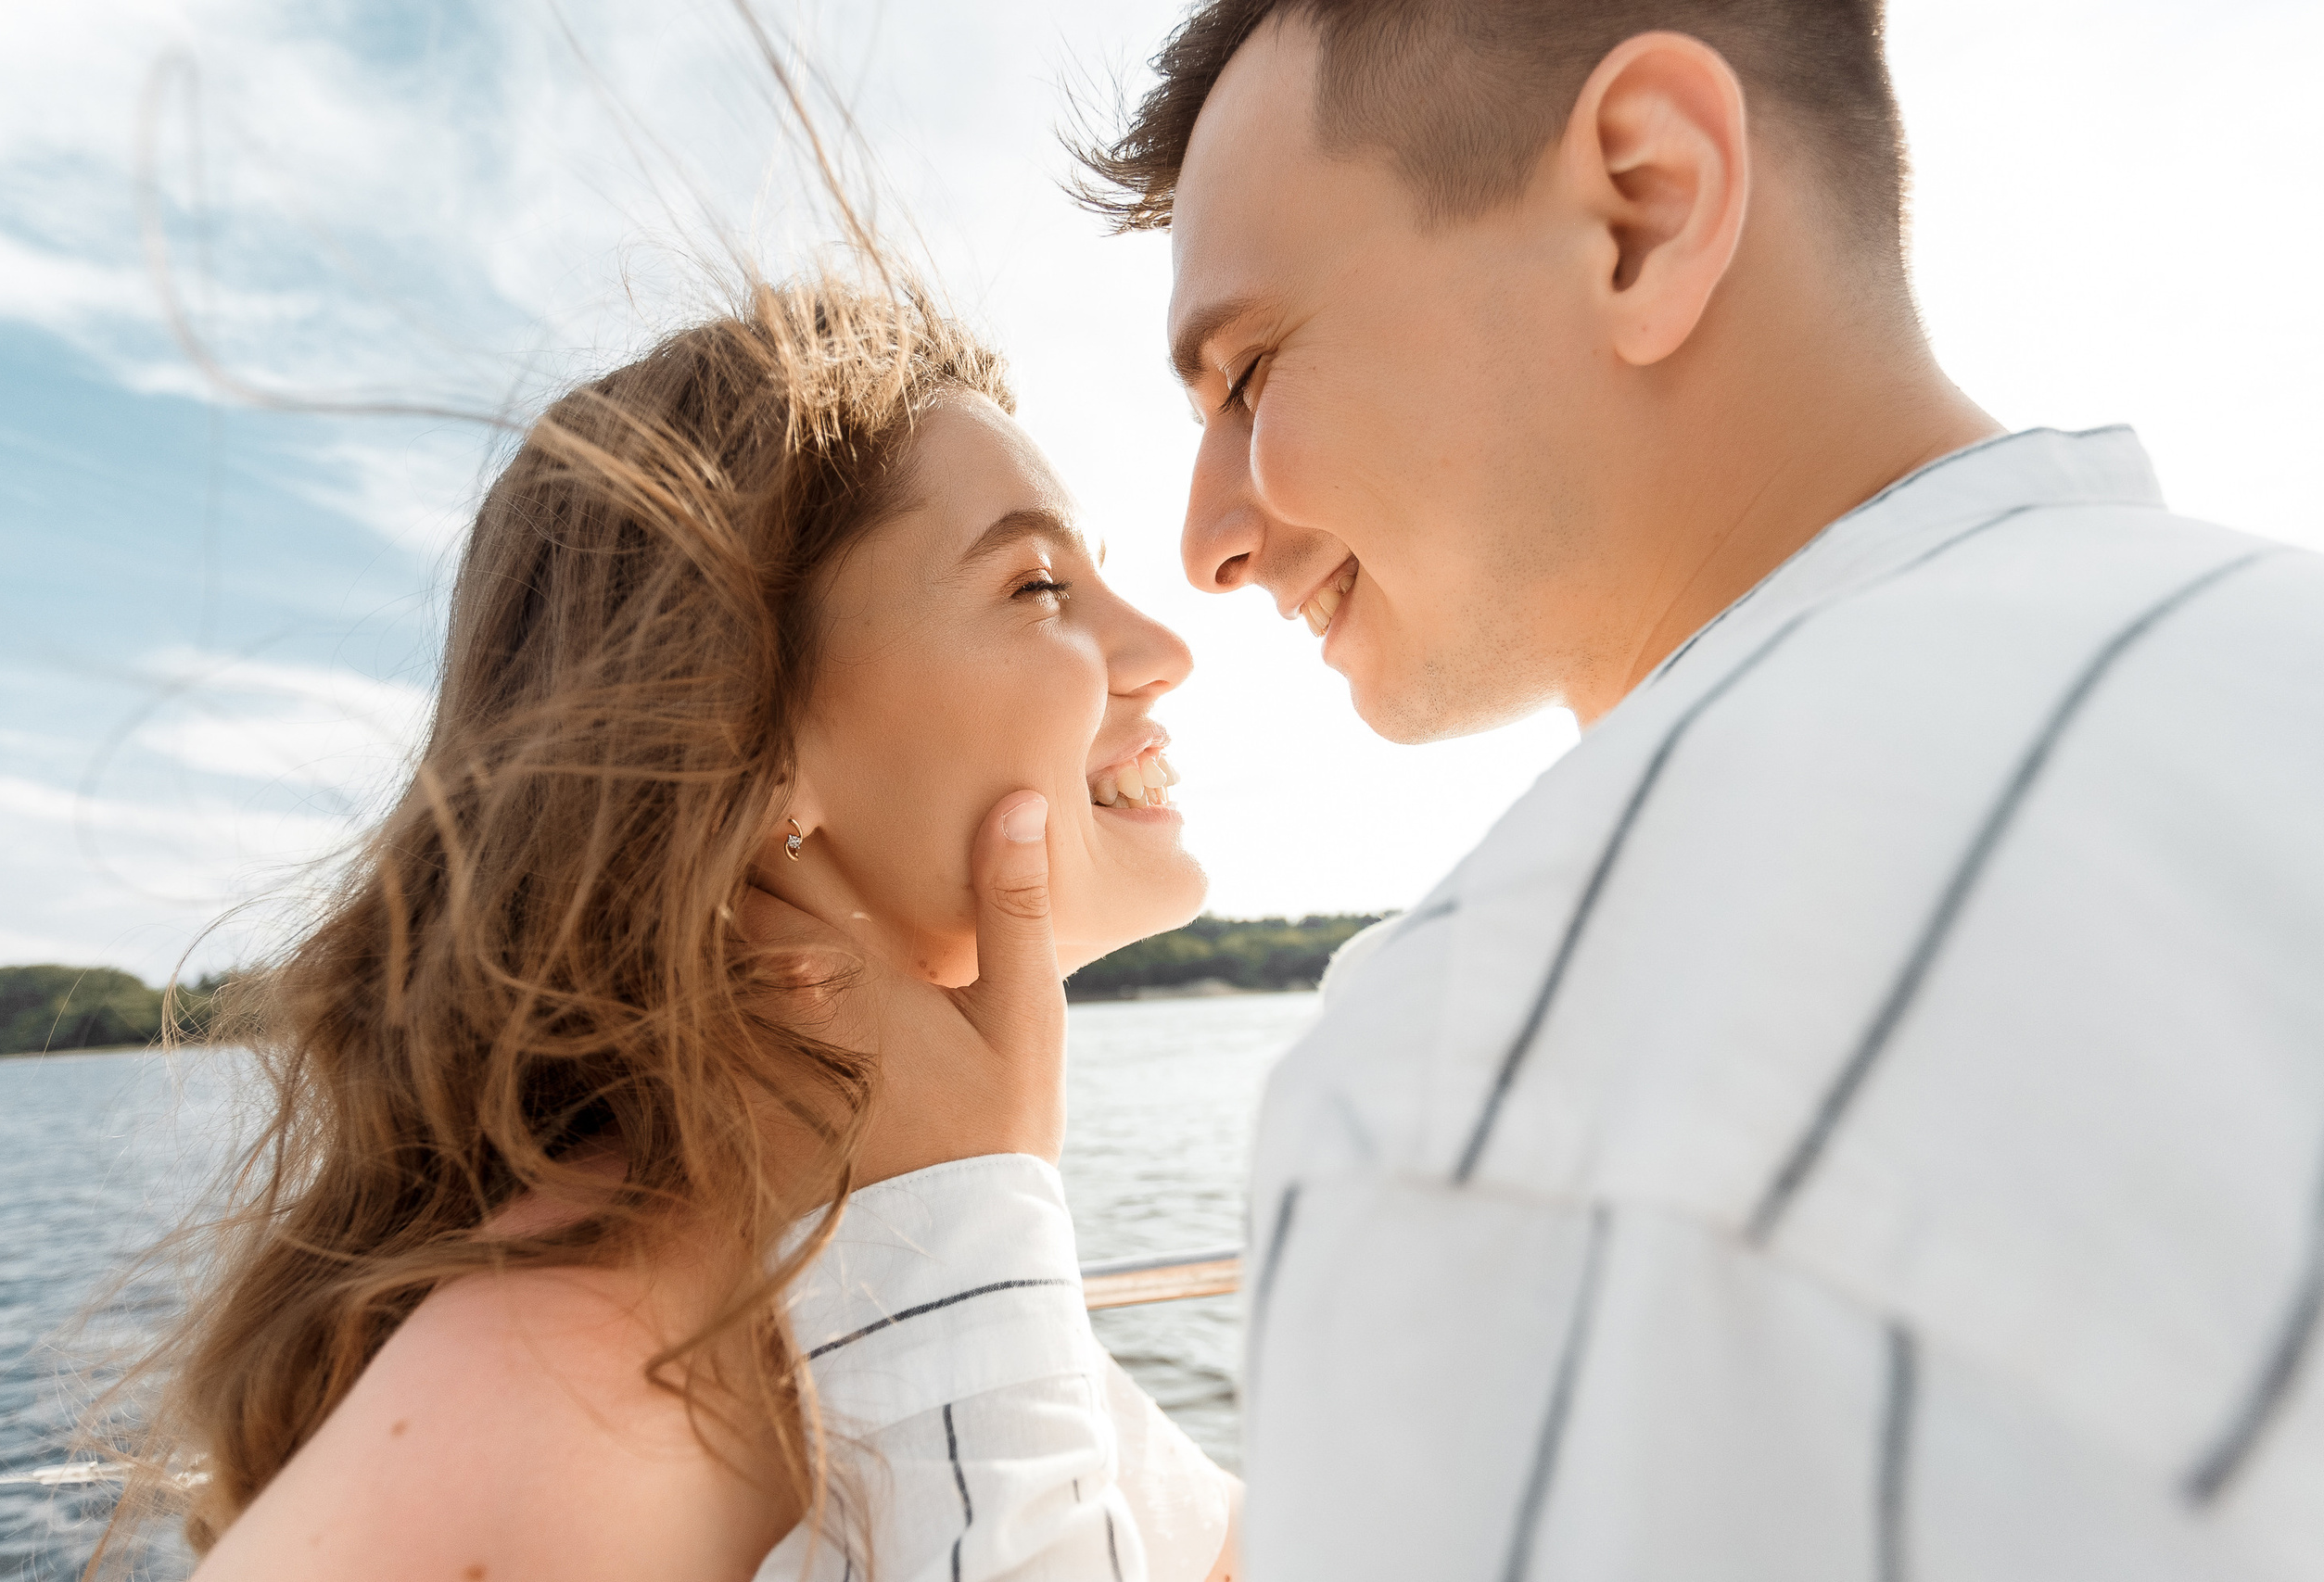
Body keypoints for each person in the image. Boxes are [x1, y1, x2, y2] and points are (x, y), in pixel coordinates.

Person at [870, 1, 2324, 1577]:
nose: (1211, 542)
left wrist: (955, 1272)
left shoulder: (1486, 1065)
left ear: (1644, 208)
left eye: (1249, 372)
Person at [119, 273, 1239, 1582]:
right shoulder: (540, 1385)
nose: (1164, 646)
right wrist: (973, 1222)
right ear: (748, 751)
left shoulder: (894, 1244)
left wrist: (974, 1214)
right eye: (1038, 587)